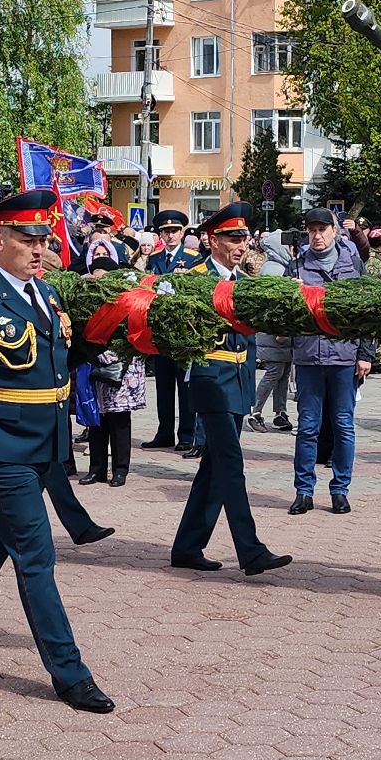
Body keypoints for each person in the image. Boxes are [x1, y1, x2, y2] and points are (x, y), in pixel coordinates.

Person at [0, 190, 114, 713]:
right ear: (0, 238)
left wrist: (104, 332)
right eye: (27, 239)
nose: (38, 249)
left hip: (43, 444)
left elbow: (54, 363)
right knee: (36, 556)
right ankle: (70, 674)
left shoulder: (46, 294)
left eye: (43, 239)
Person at [171, 202, 294, 578]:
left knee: (213, 466)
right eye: (233, 238)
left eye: (244, 238)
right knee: (230, 463)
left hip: (239, 380)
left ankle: (187, 546)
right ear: (212, 240)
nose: (241, 245)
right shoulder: (195, 279)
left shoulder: (244, 282)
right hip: (210, 378)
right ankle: (250, 549)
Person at [286, 208, 374, 515]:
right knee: (307, 427)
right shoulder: (297, 265)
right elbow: (283, 317)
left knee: (343, 426)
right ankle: (304, 491)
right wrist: (292, 297)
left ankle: (340, 490)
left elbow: (368, 312)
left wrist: (366, 354)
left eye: (322, 229)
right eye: (312, 230)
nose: (317, 235)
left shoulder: (353, 264)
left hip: (344, 357)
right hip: (309, 357)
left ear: (335, 231)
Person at [80, 255, 145, 487]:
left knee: (119, 420)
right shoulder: (89, 299)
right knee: (96, 420)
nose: (98, 279)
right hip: (96, 365)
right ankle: (96, 469)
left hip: (122, 367)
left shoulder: (126, 299)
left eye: (103, 275)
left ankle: (120, 469)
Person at [141, 209, 195, 451]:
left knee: (185, 387)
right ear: (160, 235)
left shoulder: (193, 258)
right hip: (161, 331)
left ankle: (187, 434)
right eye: (166, 231)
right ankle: (164, 432)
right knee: (163, 385)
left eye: (174, 231)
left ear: (182, 233)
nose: (170, 235)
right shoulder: (154, 259)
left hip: (183, 331)